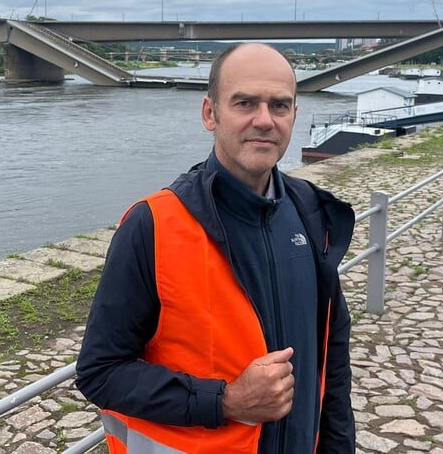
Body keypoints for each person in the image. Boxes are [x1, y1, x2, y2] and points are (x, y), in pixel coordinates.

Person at [76, 43, 357, 453]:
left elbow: (331, 362)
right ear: (211, 113)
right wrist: (225, 400)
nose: (265, 120)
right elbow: (100, 373)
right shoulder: (153, 225)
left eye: (280, 106)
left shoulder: (313, 213)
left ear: (294, 115)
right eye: (245, 103)